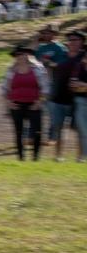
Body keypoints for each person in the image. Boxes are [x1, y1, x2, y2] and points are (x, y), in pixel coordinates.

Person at [0, 45, 49, 161]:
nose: (20, 56)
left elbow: (46, 87)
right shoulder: (11, 70)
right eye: (17, 55)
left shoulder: (38, 68)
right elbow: (4, 89)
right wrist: (8, 103)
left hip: (34, 105)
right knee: (19, 132)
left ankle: (35, 158)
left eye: (22, 54)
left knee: (37, 132)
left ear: (28, 55)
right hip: (16, 105)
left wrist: (39, 102)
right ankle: (21, 158)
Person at [48, 30, 85, 161]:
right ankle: (58, 156)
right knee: (58, 128)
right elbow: (39, 57)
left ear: (82, 42)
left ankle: (81, 157)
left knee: (80, 129)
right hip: (57, 98)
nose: (73, 42)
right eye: (70, 40)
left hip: (77, 100)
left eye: (76, 40)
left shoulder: (84, 57)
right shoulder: (60, 56)